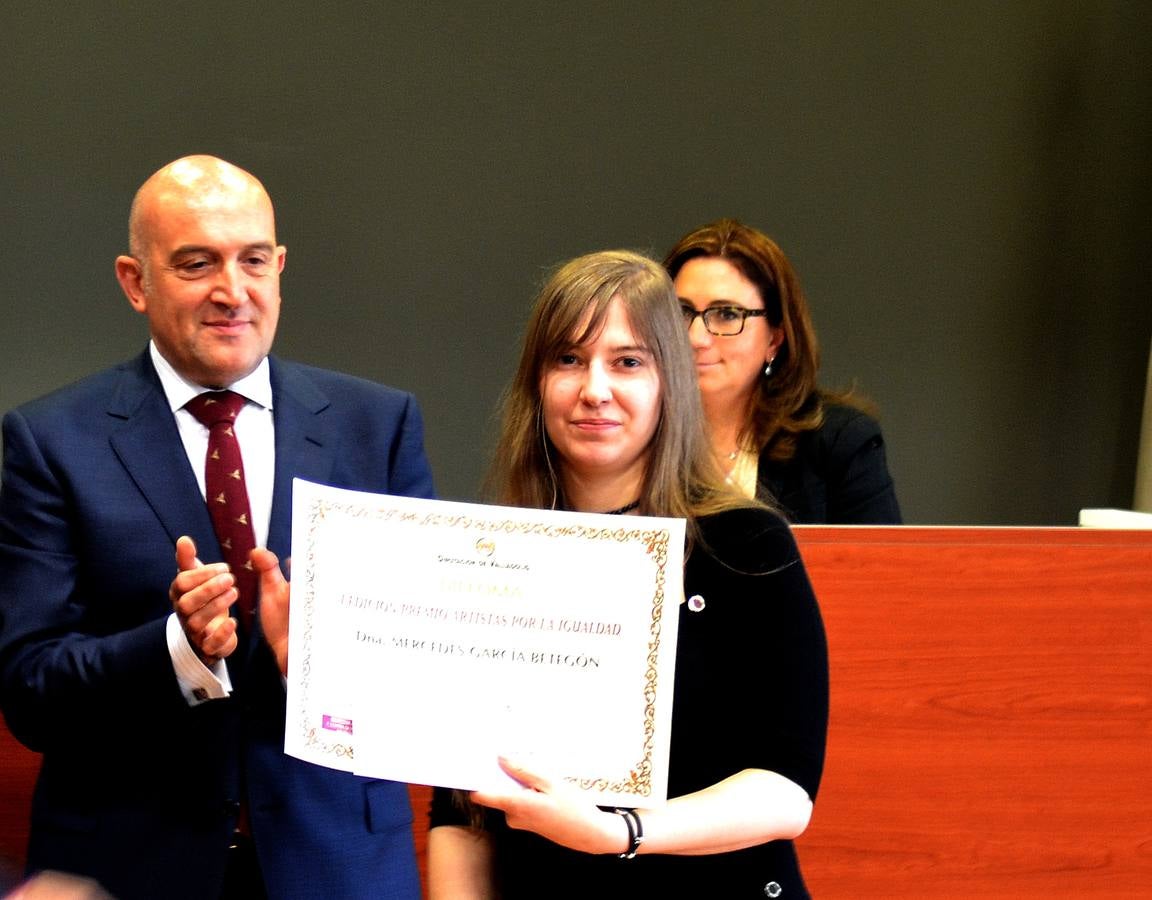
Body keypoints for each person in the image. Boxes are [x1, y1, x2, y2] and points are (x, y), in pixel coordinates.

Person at [0, 155, 434, 900]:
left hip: (337, 866)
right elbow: (32, 692)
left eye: (253, 260)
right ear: (135, 282)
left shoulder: (378, 425)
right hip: (129, 871)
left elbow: (431, 672)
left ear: (280, 266)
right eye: (197, 264)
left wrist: (327, 659)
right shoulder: (49, 442)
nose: (232, 292)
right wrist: (176, 647)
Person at [340, 250, 825, 897]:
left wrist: (621, 831)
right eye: (568, 359)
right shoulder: (493, 556)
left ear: (668, 382)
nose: (595, 389)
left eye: (627, 362)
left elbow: (786, 792)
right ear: (537, 382)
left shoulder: (747, 542)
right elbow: (461, 804)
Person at [664, 218, 902, 524]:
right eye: (681, 312)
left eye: (726, 314)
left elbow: (880, 570)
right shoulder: (627, 433)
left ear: (775, 339)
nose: (695, 338)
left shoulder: (839, 444)